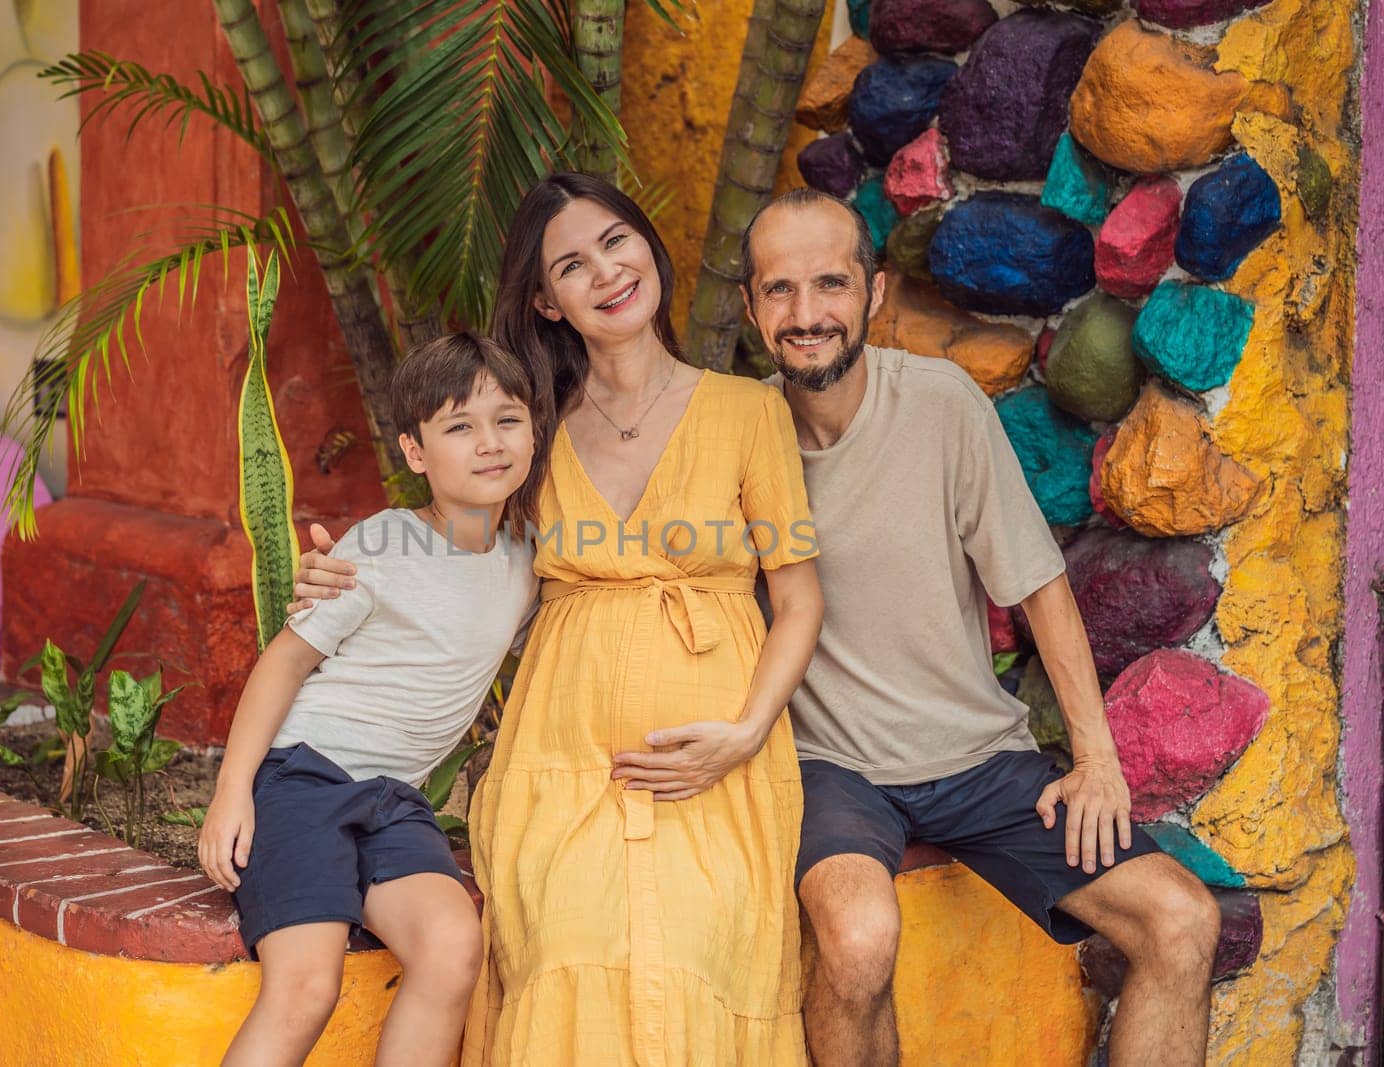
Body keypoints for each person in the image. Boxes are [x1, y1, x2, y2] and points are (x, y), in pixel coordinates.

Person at [294, 172, 824, 1065]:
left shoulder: (749, 409)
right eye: (572, 265)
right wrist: (333, 571)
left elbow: (800, 601)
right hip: (561, 761)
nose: (607, 272)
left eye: (617, 242)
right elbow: (444, 545)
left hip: (718, 758)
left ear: (649, 250)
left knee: (700, 949)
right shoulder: (527, 427)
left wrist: (743, 733)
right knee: (565, 946)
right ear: (547, 299)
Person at [737, 188, 1221, 1067]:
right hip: (829, 767)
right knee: (855, 940)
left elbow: (1039, 588)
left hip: (979, 759)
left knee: (1182, 918)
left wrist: (1096, 759)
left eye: (830, 284)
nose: (806, 315)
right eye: (779, 290)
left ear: (875, 292)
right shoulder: (735, 435)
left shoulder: (940, 403)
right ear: (750, 306)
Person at [198, 332, 544, 1067]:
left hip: (394, 799)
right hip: (304, 779)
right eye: (459, 426)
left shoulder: (526, 556)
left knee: (453, 947)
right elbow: (286, 661)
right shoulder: (384, 545)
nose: (489, 442)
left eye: (507, 419)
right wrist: (234, 789)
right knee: (305, 985)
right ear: (416, 452)